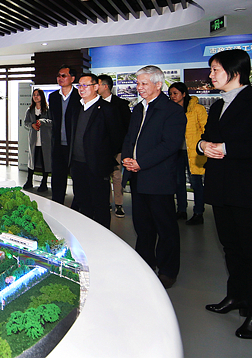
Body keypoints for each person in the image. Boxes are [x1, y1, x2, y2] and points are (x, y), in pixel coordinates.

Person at [198, 49, 252, 339]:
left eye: (215, 70)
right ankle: (237, 296)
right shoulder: (217, 106)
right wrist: (202, 146)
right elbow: (207, 138)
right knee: (231, 248)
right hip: (222, 190)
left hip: (251, 193)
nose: (210, 75)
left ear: (235, 72)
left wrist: (227, 149)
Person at [122, 65, 186, 289]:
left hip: (158, 178)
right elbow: (130, 137)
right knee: (143, 226)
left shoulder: (172, 111)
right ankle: (145, 264)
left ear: (158, 84)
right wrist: (127, 157)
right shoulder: (138, 109)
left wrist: (141, 162)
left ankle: (168, 270)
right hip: (137, 176)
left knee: (165, 227)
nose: (139, 87)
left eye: (144, 83)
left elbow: (170, 145)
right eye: (137, 83)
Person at [68, 73, 122, 229]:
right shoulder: (76, 108)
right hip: (77, 165)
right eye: (79, 85)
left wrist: (103, 157)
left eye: (86, 85)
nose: (81, 89)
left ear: (96, 87)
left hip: (98, 166)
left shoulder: (107, 109)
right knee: (83, 203)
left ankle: (102, 238)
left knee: (100, 206)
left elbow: (116, 138)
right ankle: (85, 235)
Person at [168, 82, 208, 225]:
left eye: (175, 93)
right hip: (177, 151)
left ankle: (198, 212)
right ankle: (181, 210)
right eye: (170, 94)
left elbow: (205, 128)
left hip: (194, 152)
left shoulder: (197, 109)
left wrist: (202, 146)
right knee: (179, 182)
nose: (173, 96)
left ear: (184, 94)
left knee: (196, 182)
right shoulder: (170, 111)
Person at [97, 74, 131, 218]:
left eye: (98, 84)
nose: (95, 87)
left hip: (117, 148)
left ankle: (118, 204)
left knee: (117, 176)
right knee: (103, 177)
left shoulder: (121, 104)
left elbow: (128, 127)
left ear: (106, 86)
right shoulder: (95, 103)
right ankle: (106, 202)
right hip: (100, 148)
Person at [48, 65, 82, 204]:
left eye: (64, 75)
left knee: (78, 178)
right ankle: (57, 204)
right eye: (58, 75)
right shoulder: (53, 97)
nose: (60, 78)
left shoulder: (79, 96)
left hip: (74, 145)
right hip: (58, 144)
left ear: (72, 79)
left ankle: (78, 207)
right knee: (57, 177)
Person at [22, 89, 52, 192]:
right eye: (34, 95)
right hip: (34, 140)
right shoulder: (30, 110)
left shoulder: (47, 109)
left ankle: (44, 183)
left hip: (45, 140)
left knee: (45, 162)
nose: (36, 97)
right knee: (32, 161)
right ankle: (29, 181)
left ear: (42, 96)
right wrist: (32, 125)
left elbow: (52, 122)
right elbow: (26, 123)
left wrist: (43, 122)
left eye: (38, 95)